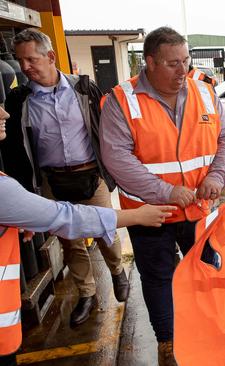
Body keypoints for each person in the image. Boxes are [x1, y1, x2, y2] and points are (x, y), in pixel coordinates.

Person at [99, 26, 225, 366]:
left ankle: (213, 329)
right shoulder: (121, 100)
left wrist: (217, 175)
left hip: (200, 210)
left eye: (186, 61)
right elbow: (117, 158)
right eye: (173, 63)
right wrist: (167, 192)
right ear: (149, 62)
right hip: (150, 213)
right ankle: (167, 341)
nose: (182, 71)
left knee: (208, 271)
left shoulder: (204, 92)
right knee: (158, 278)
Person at [0, 104, 174, 366]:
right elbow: (67, 218)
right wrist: (136, 216)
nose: (5, 114)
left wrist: (18, 215)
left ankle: (117, 274)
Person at [1, 28, 127, 328]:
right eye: (21, 61)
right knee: (71, 241)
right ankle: (87, 293)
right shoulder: (21, 99)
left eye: (31, 59)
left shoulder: (84, 88)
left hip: (90, 174)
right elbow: (16, 147)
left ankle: (117, 270)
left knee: (105, 230)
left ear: (51, 56)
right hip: (51, 180)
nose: (25, 67)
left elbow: (106, 128)